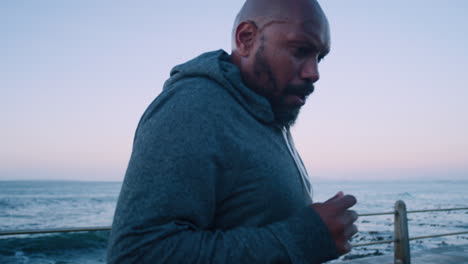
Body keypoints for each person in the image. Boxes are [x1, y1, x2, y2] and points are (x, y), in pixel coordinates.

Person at [107, 0, 358, 263]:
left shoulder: (266, 113)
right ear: (246, 39)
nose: (314, 72)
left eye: (319, 57)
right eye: (299, 50)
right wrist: (308, 236)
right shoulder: (194, 108)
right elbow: (137, 254)